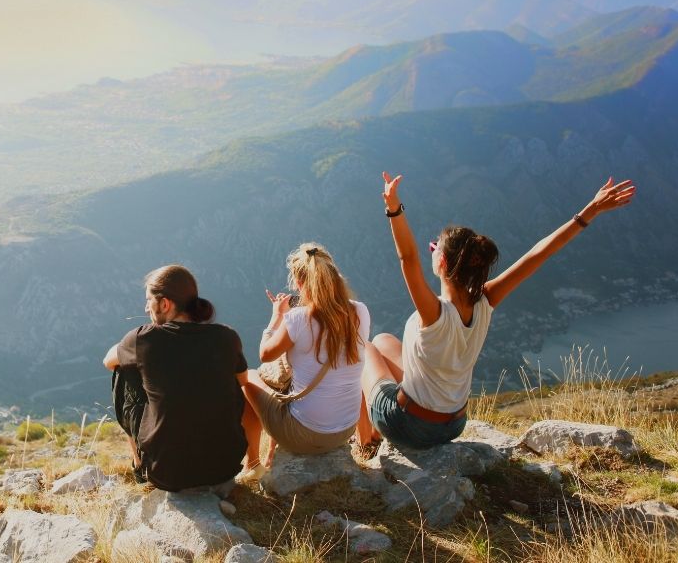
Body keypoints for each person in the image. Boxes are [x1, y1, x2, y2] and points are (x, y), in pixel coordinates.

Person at [358, 172, 636, 449]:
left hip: (410, 427)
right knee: (383, 340)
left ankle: (365, 441)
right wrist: (591, 210)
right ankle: (379, 429)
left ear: (441, 262)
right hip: (453, 425)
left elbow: (407, 257)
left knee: (363, 347)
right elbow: (538, 254)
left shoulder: (434, 313)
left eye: (433, 247)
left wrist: (394, 208)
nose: (430, 250)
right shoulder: (485, 300)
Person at [103, 264, 248, 492]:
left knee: (123, 370)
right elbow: (243, 381)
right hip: (225, 468)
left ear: (165, 304)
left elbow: (108, 360)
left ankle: (140, 465)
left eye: (149, 300)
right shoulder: (227, 336)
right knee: (232, 377)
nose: (146, 307)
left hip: (168, 474)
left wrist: (132, 350)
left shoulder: (143, 339)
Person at [240, 243, 370, 478]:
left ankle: (253, 465)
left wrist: (276, 316)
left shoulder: (297, 319)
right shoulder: (360, 311)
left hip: (305, 435)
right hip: (345, 430)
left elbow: (265, 354)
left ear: (299, 284)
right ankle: (365, 441)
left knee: (248, 377)